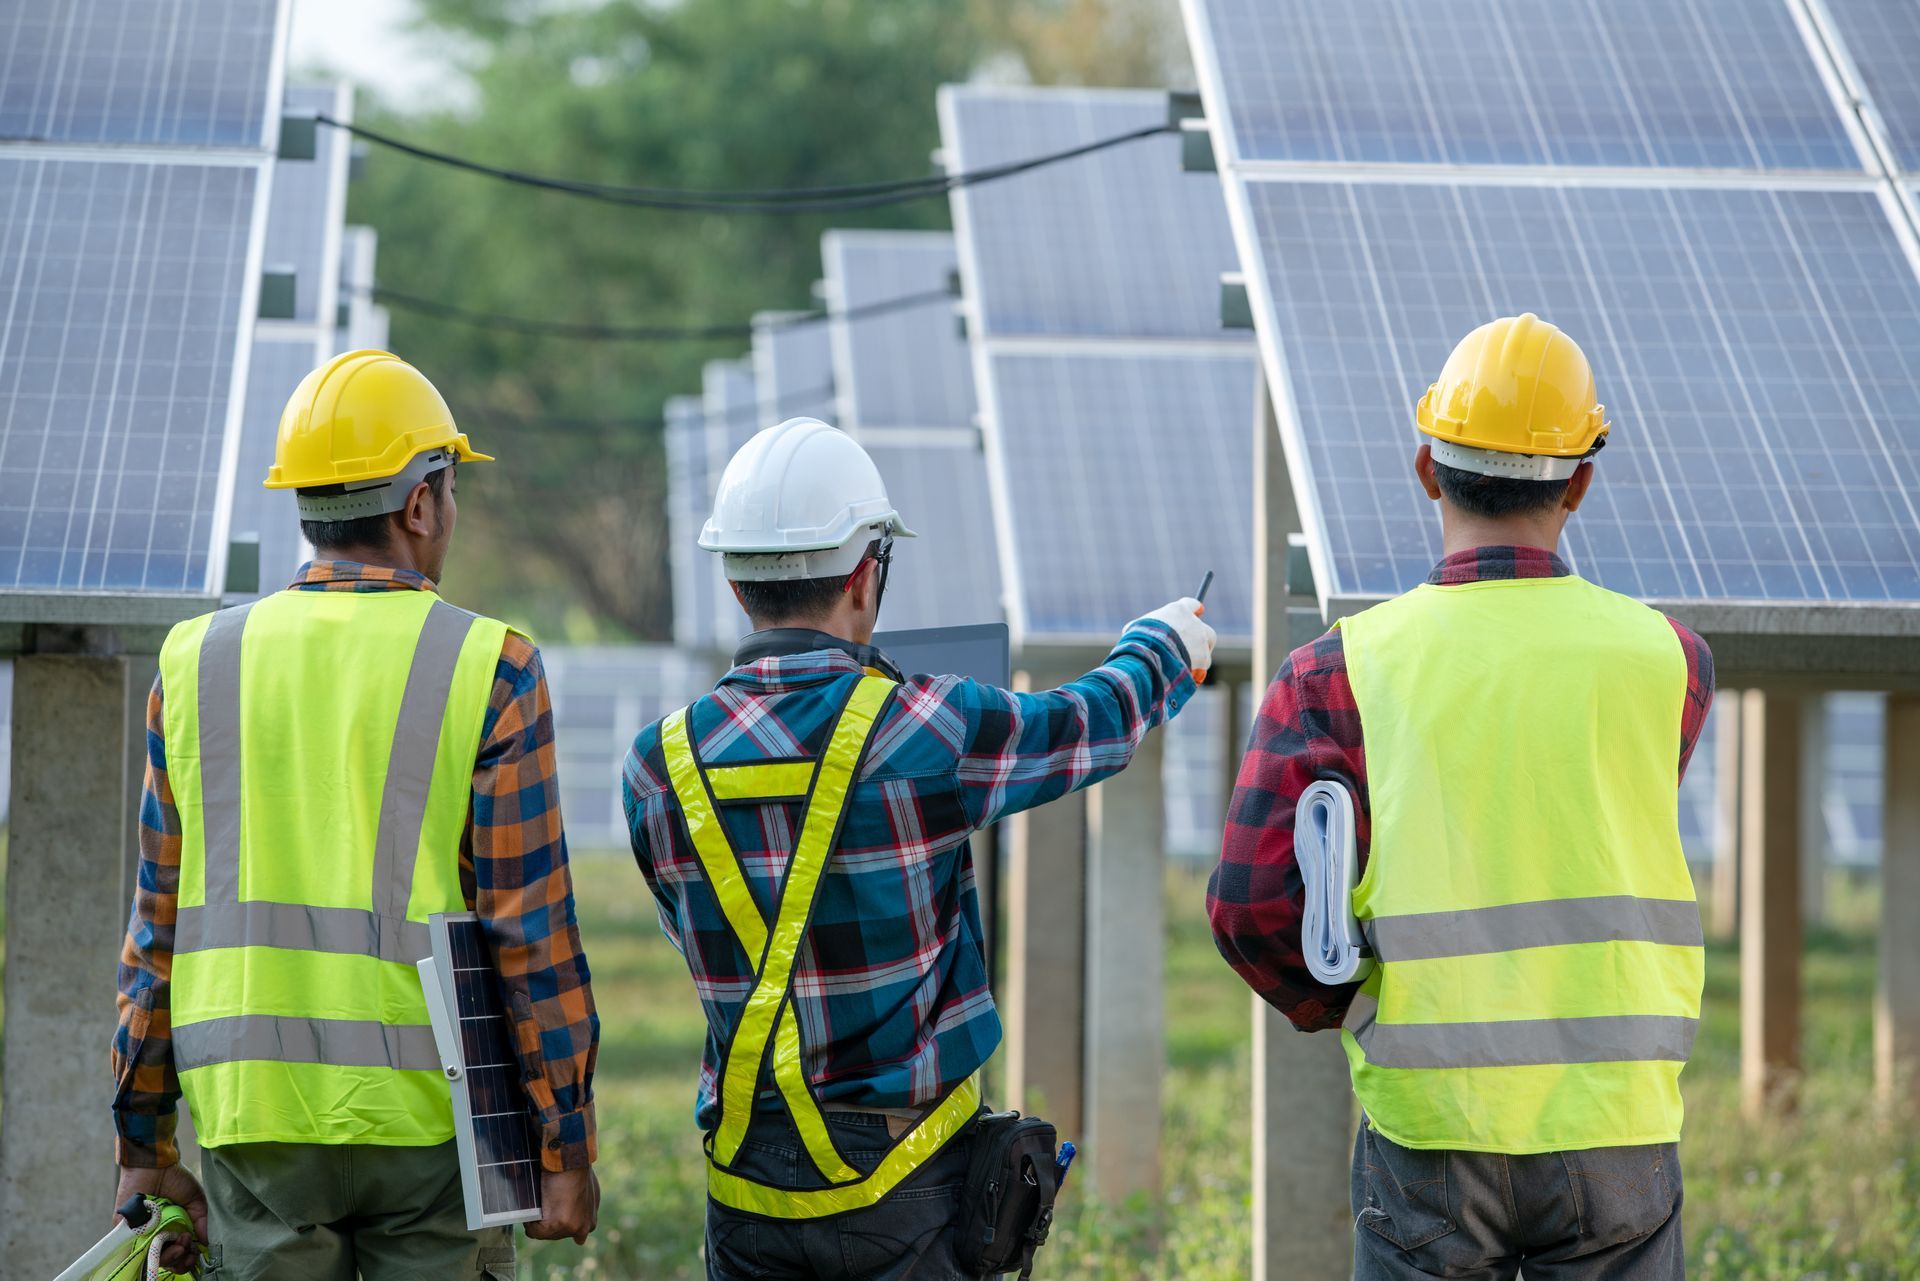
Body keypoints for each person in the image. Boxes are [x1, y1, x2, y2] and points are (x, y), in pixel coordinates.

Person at [622, 417, 1214, 1281]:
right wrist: (1164, 646)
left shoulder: (657, 765)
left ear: (734, 577)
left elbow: (712, 943)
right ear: (865, 576)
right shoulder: (927, 725)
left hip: (748, 1192)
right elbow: (1090, 723)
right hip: (909, 1186)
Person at [1211, 315, 1714, 1280]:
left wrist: (1352, 1009)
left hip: (1430, 1125)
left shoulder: (1335, 672)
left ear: (1426, 469)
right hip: (1618, 1121)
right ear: (1580, 480)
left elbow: (1246, 903)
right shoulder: (1672, 659)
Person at [111, 351, 602, 1279]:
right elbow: (530, 934)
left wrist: (143, 1132)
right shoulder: (492, 666)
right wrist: (564, 1147)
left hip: (254, 1123)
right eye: (450, 487)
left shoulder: (195, 664)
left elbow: (157, 925)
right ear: (420, 503)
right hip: (436, 1126)